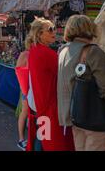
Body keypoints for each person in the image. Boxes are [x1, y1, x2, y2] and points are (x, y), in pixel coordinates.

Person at [57, 15, 105, 151]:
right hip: (95, 119)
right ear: (90, 28)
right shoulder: (93, 51)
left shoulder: (63, 51)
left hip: (75, 117)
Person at [27, 18, 74, 151]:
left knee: (43, 137)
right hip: (48, 106)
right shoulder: (46, 53)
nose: (54, 31)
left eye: (54, 28)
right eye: (50, 29)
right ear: (39, 34)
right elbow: (64, 74)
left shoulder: (34, 50)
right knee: (48, 141)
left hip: (40, 103)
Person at [15, 42, 30, 151]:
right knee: (24, 112)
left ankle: (31, 138)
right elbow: (18, 70)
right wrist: (24, 88)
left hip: (34, 89)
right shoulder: (25, 54)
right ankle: (21, 139)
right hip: (27, 89)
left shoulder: (35, 53)